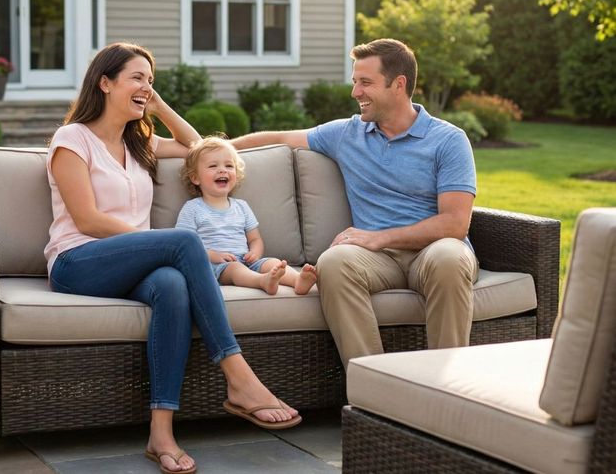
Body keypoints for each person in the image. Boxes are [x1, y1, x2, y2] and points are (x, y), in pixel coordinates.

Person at [44, 43, 301, 474]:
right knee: (183, 243)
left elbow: (198, 147)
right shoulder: (72, 139)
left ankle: (160, 433)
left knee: (172, 284)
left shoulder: (140, 141)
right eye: (136, 79)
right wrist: (162, 242)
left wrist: (156, 104)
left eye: (151, 79)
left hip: (134, 263)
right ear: (104, 83)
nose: (145, 86)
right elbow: (87, 219)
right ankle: (239, 378)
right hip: (77, 261)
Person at [231, 38, 479, 369]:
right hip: (376, 259)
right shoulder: (348, 133)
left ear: (398, 85)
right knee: (333, 263)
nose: (355, 92)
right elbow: (278, 139)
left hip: (433, 250)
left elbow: (454, 223)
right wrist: (208, 147)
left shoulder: (448, 140)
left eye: (365, 83)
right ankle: (373, 388)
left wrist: (381, 237)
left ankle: (446, 387)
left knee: (450, 257)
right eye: (354, 82)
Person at [176, 137, 317, 295]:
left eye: (229, 165)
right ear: (195, 178)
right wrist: (213, 256)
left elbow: (254, 239)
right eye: (213, 166)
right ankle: (262, 281)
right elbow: (183, 245)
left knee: (273, 262)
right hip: (217, 266)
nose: (222, 170)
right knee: (236, 269)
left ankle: (297, 280)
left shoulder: (241, 206)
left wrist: (255, 252)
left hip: (248, 261)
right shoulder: (193, 208)